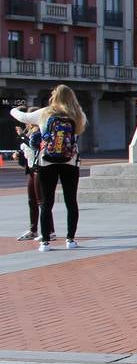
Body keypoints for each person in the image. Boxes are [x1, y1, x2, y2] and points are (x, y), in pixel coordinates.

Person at [11, 85, 87, 251]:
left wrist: (14, 110)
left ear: (55, 96)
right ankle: (70, 240)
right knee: (71, 201)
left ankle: (45, 242)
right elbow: (78, 134)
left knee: (46, 203)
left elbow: (23, 117)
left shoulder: (45, 113)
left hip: (47, 162)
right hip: (70, 162)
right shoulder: (78, 114)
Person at [13, 123, 43, 242]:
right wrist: (18, 154)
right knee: (32, 201)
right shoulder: (30, 133)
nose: (26, 123)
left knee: (42, 201)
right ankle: (33, 230)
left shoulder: (40, 132)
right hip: (31, 169)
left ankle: (50, 231)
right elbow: (27, 151)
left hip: (39, 169)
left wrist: (22, 135)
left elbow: (34, 147)